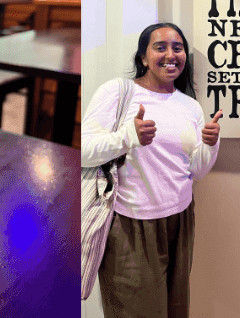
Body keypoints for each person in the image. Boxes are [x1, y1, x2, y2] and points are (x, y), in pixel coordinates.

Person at [81, 22, 222, 318]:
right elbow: (82, 152)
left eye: (178, 47)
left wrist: (209, 145)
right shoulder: (119, 93)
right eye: (160, 47)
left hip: (180, 220)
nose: (171, 54)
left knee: (174, 311)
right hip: (131, 225)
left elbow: (196, 171)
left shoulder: (190, 106)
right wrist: (127, 138)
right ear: (143, 58)